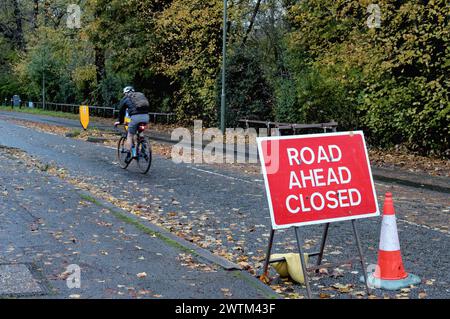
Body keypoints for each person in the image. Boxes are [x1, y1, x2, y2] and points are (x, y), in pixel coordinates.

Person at [115, 86, 150, 162]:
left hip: (135, 118)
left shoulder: (125, 99)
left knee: (130, 135)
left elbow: (121, 112)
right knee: (140, 132)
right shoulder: (140, 96)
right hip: (146, 117)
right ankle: (144, 150)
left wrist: (120, 121)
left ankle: (129, 155)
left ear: (125, 93)